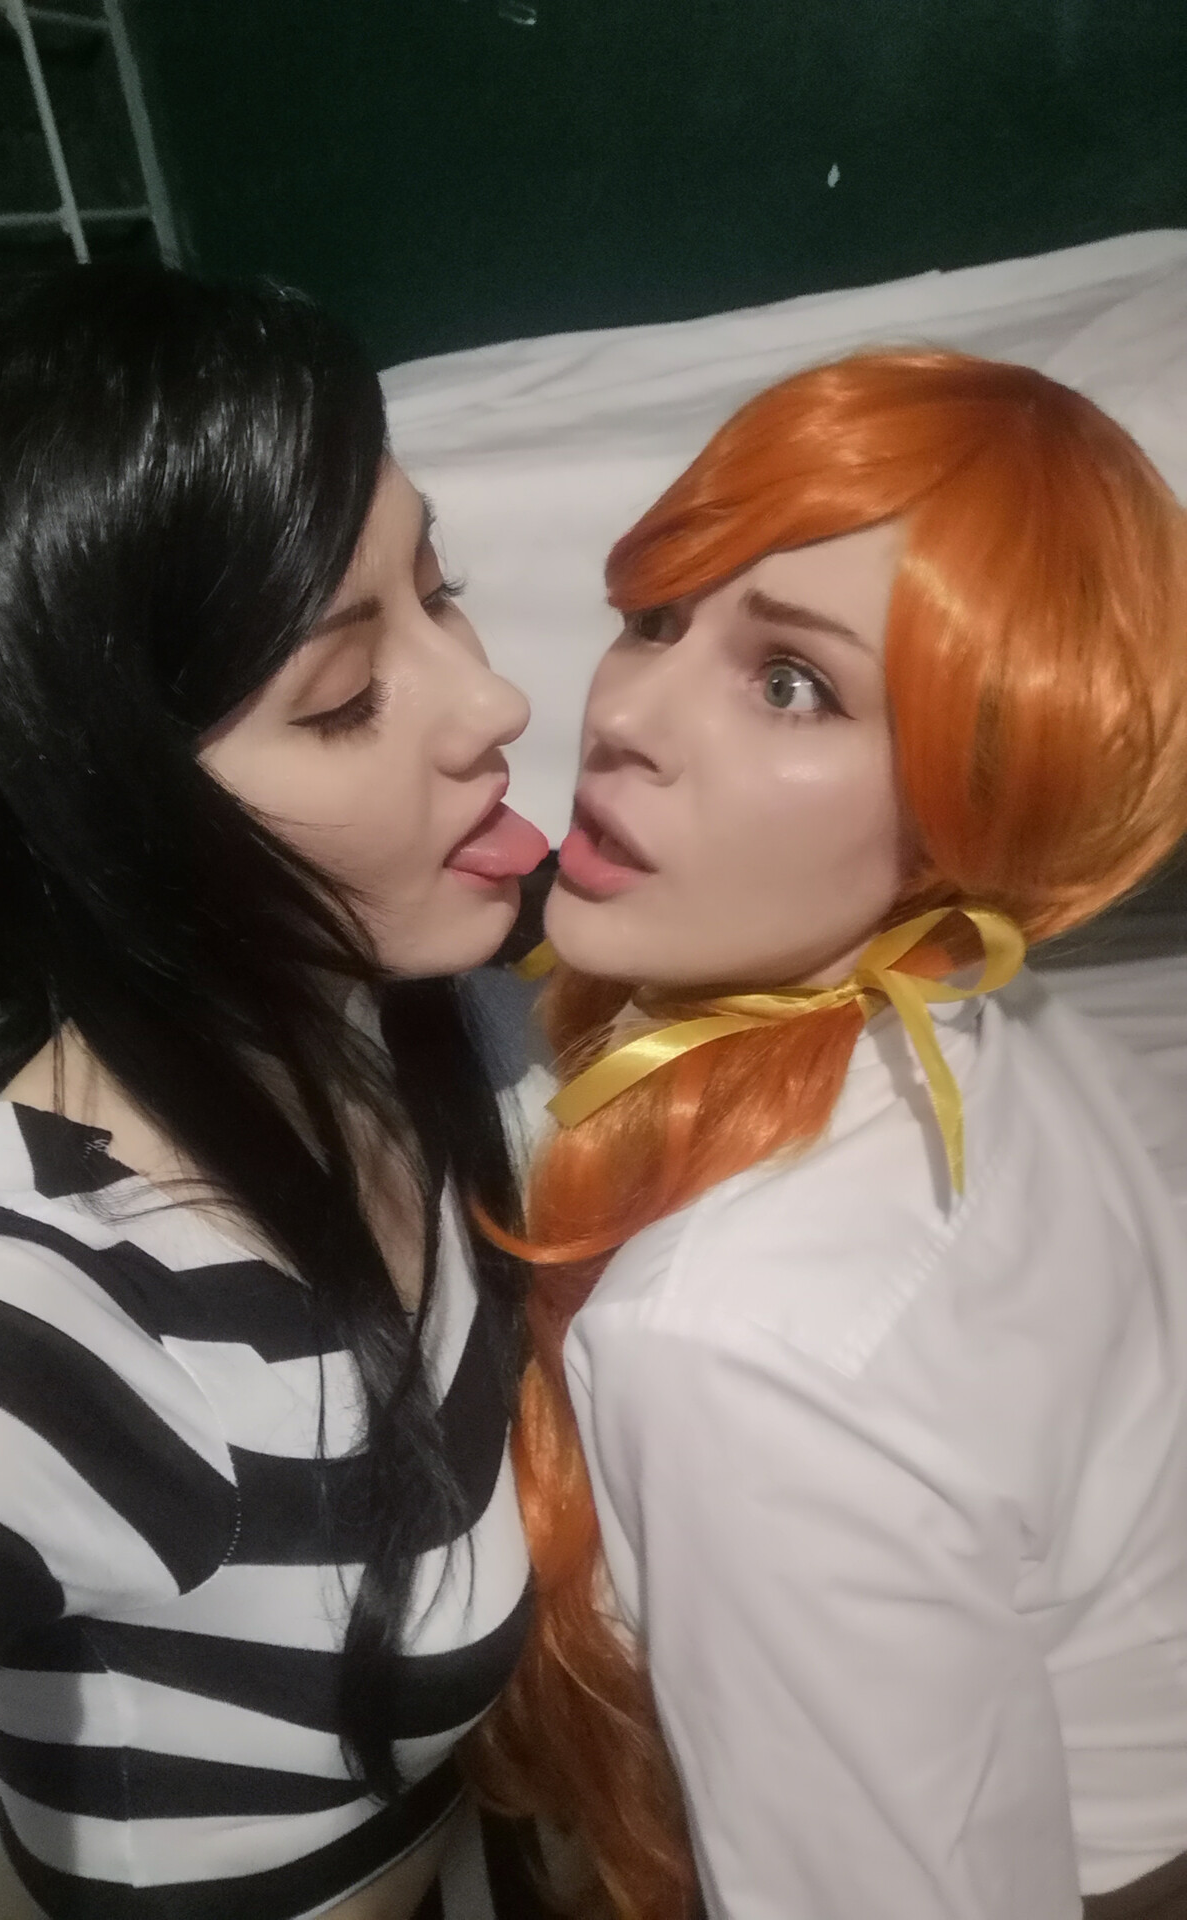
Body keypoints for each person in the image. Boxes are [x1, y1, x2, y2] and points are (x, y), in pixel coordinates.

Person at [0, 264, 552, 1920]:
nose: (496, 702)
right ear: (92, 839)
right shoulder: (22, 1329)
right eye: (343, 697)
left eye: (443, 589)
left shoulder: (408, 1011)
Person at [472, 350, 1187, 1920]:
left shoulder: (733, 1344)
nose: (626, 716)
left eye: (792, 682)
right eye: (658, 618)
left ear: (973, 802)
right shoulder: (990, 1008)